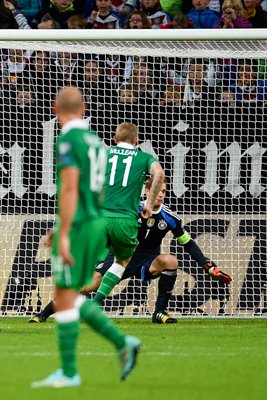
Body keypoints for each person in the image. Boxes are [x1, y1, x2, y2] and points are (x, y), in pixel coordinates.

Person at [31, 87, 140, 389]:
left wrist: (64, 231)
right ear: (83, 108)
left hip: (79, 225)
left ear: (55, 108)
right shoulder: (96, 142)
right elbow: (98, 189)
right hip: (95, 220)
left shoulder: (69, 140)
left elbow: (68, 187)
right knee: (69, 296)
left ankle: (70, 371)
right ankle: (121, 343)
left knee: (65, 295)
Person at [31, 175, 233, 324]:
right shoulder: (129, 209)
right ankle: (44, 314)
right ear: (147, 192)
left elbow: (188, 243)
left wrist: (207, 266)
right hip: (120, 257)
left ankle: (159, 312)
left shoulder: (171, 218)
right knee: (85, 287)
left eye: (163, 191)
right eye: (156, 190)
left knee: (171, 261)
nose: (160, 195)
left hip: (148, 260)